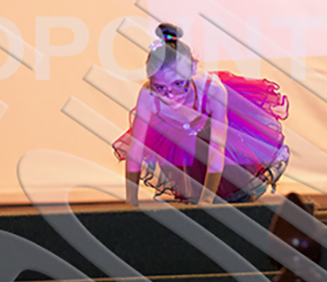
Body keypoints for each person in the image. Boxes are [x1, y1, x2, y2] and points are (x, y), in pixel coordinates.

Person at [113, 23, 290, 205]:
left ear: (192, 70)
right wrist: (131, 200)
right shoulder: (149, 96)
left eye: (178, 84)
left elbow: (217, 149)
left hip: (219, 134)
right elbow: (136, 150)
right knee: (192, 184)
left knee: (237, 185)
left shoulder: (212, 90)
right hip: (183, 137)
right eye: (160, 87)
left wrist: (207, 200)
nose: (170, 96)